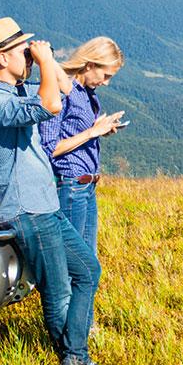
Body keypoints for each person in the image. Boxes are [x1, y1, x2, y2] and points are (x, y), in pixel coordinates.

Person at [0, 17, 117, 365]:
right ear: (3, 58)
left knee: (88, 270)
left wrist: (44, 60)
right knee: (57, 286)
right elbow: (51, 105)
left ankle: (73, 352)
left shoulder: (18, 91)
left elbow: (65, 88)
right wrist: (45, 62)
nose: (29, 56)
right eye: (22, 51)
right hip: (25, 209)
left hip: (44, 204)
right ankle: (75, 360)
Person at [38, 37, 126, 260]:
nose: (106, 82)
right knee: (75, 264)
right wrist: (92, 132)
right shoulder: (61, 91)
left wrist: (99, 128)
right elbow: (49, 148)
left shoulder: (84, 92)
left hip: (86, 187)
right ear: (90, 65)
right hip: (70, 185)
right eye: (105, 76)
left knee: (88, 262)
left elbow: (73, 133)